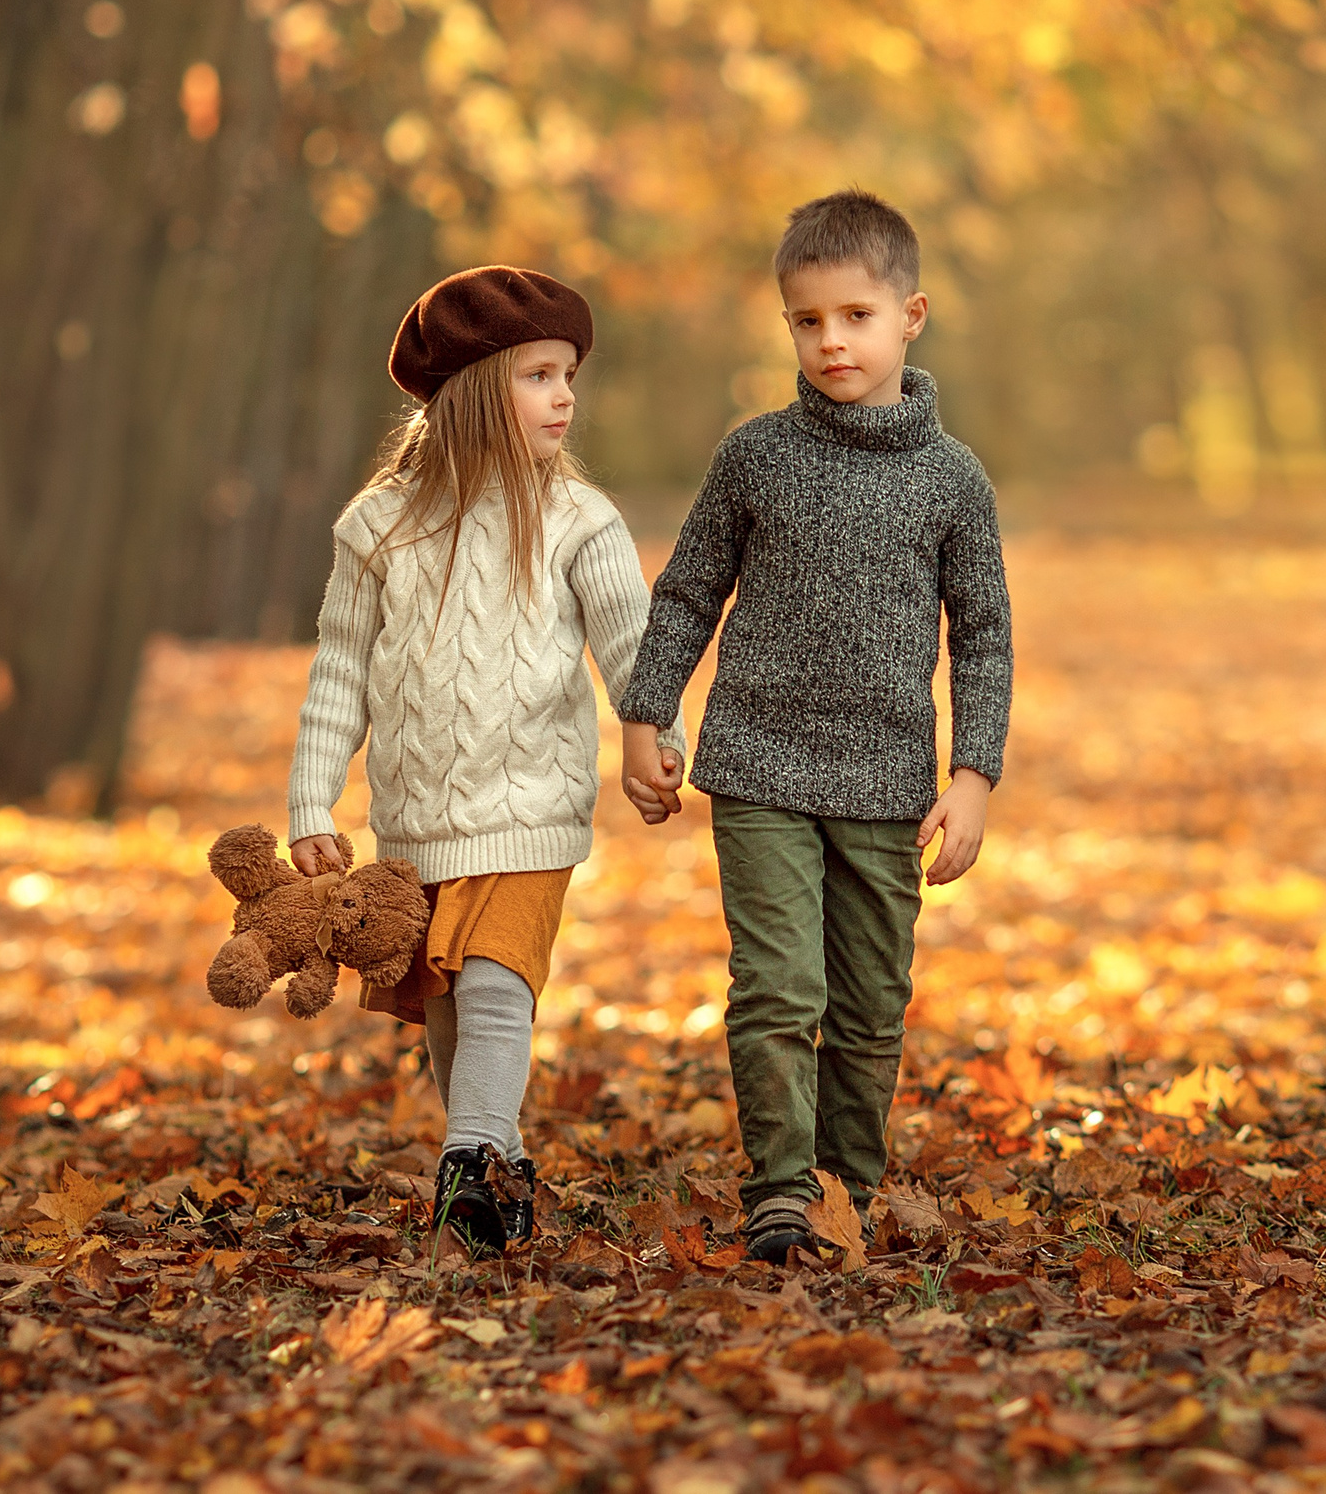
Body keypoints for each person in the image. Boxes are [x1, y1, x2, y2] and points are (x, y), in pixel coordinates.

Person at [614, 189, 1012, 1266]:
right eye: (806, 320)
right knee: (780, 987)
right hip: (757, 767)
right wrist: (647, 711)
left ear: (910, 316)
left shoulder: (951, 480)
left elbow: (982, 635)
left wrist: (973, 774)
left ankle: (848, 1185)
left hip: (888, 780)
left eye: (855, 316)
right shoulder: (754, 458)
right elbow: (689, 590)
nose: (831, 340)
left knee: (872, 999)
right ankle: (782, 1192)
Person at [286, 265, 684, 1257]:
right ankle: (495, 1164)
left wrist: (654, 738)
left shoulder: (575, 520)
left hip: (531, 809)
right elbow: (339, 669)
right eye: (539, 376)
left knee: (501, 985)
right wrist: (311, 800)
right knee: (450, 1021)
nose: (564, 398)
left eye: (568, 376)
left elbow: (633, 645)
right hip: (415, 825)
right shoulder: (377, 527)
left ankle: (465, 1160)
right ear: (469, 389)